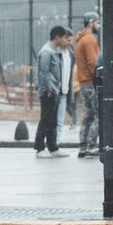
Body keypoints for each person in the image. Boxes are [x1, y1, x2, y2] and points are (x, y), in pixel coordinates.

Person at [35, 25, 72, 158]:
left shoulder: (54, 51)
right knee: (45, 119)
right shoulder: (47, 52)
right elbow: (43, 73)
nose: (64, 40)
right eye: (63, 37)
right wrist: (48, 89)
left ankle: (53, 147)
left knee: (53, 120)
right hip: (48, 91)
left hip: (55, 90)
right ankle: (40, 148)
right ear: (57, 37)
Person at [74, 12, 101, 158]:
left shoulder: (80, 40)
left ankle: (83, 146)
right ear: (91, 22)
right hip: (91, 82)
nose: (99, 26)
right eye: (97, 22)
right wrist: (99, 79)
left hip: (83, 83)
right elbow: (93, 63)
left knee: (87, 115)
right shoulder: (90, 40)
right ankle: (92, 145)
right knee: (98, 114)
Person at [56, 27, 75, 134]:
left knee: (60, 122)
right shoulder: (54, 52)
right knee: (50, 121)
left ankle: (55, 145)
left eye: (71, 40)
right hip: (54, 91)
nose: (70, 43)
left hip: (64, 91)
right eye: (68, 40)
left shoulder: (71, 53)